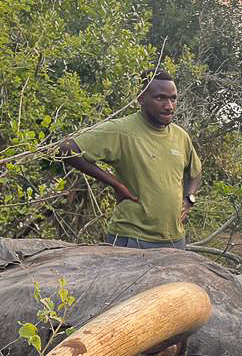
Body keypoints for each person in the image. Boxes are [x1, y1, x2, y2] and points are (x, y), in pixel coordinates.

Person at [59, 70, 201, 249]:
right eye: (160, 98)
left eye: (173, 98)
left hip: (174, 239)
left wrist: (189, 198)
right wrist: (115, 184)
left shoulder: (181, 136)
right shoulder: (121, 131)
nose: (169, 106)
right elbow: (65, 149)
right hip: (132, 239)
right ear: (141, 98)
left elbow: (195, 172)